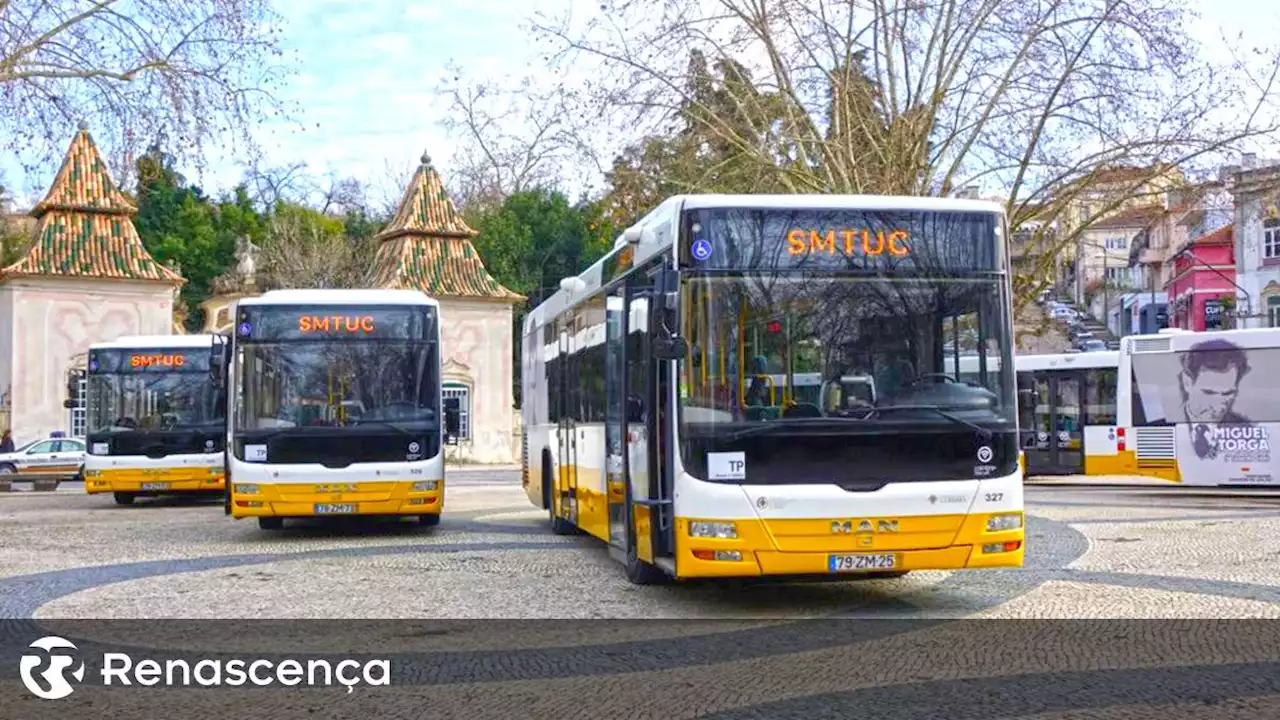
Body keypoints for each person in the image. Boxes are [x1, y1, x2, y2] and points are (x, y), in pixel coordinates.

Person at [1177, 338, 1253, 460]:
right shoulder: (1161, 424)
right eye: (1209, 393)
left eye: (1227, 394)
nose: (1218, 407)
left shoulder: (1246, 430)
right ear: (1187, 383)